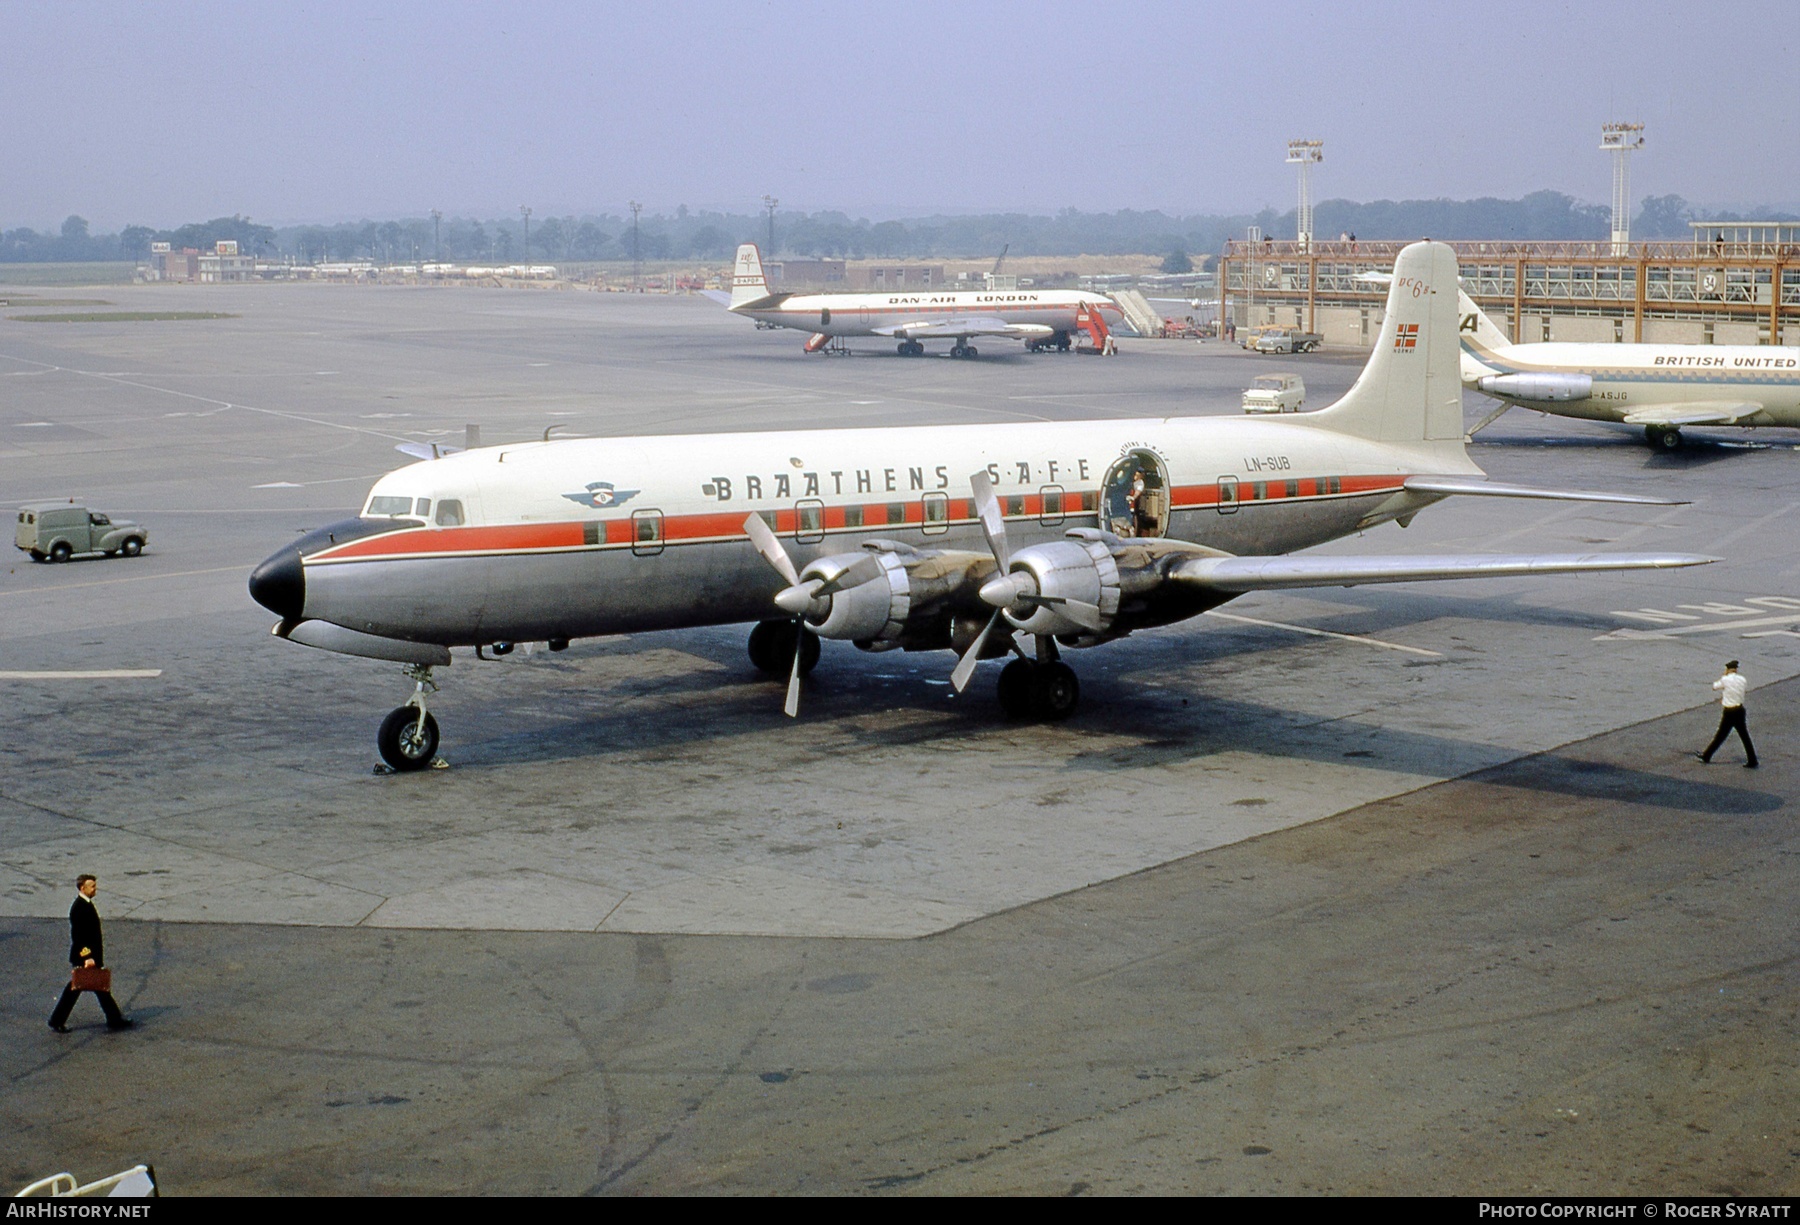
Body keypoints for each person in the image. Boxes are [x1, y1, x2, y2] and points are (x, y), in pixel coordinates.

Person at [48, 874, 132, 1032]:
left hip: (91, 956)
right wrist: (87, 957)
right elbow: (79, 936)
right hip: (86, 957)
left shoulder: (85, 904)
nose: (95, 889)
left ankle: (114, 1018)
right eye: (92, 886)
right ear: (82, 888)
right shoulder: (79, 908)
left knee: (99, 987)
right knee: (77, 988)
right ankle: (57, 1020)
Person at [1697, 660, 1758, 768]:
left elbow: (1715, 686)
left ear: (1728, 669)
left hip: (1729, 712)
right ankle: (1752, 759)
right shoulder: (1742, 679)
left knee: (1720, 735)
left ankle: (1707, 756)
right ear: (1736, 669)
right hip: (1739, 710)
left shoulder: (1725, 679)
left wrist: (1724, 676)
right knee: (1744, 736)